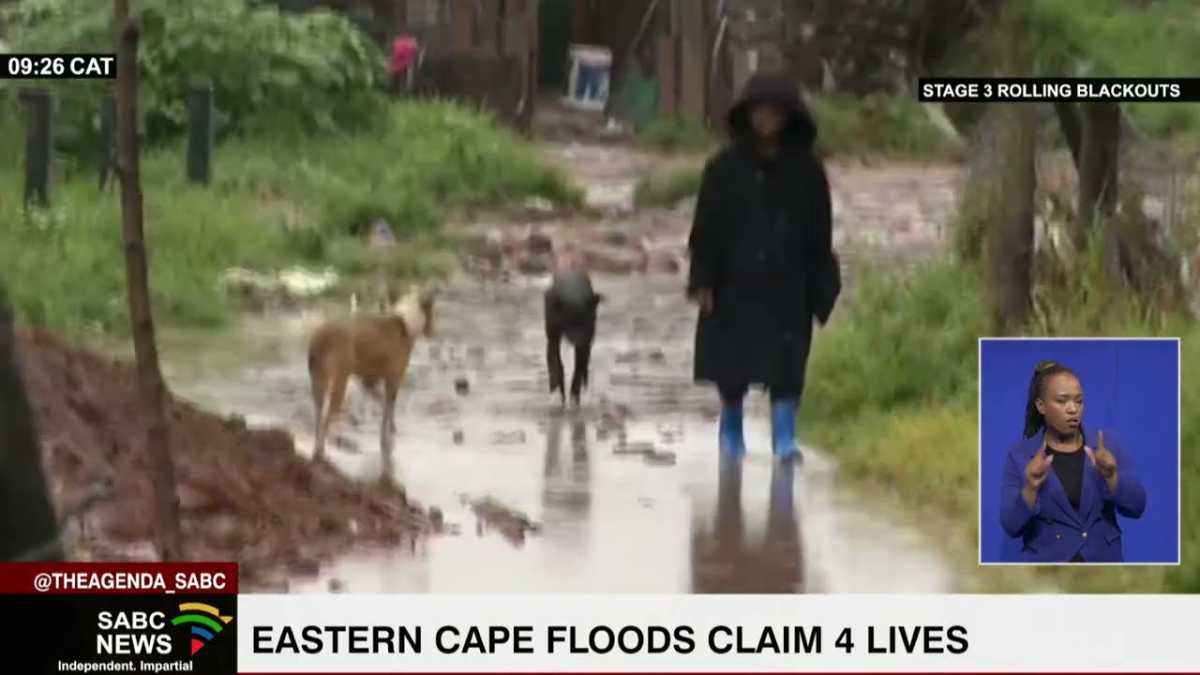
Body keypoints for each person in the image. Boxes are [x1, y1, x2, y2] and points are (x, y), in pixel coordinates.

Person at [686, 71, 840, 462]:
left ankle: (785, 437)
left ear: (789, 116)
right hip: (733, 282)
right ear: (746, 114)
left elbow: (821, 234)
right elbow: (704, 229)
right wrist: (703, 279)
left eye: (773, 112)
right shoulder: (722, 169)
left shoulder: (808, 171)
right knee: (730, 363)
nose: (765, 119)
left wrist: (823, 288)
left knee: (787, 364)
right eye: (758, 111)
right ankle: (731, 431)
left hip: (788, 284)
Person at [999, 361, 1147, 563]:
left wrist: (1112, 477)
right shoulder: (1020, 455)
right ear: (1041, 406)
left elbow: (1137, 506)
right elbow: (1011, 526)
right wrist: (1030, 489)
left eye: (1079, 401)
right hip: (1049, 571)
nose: (1073, 409)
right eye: (1062, 401)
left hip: (1103, 567)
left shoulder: (1106, 444)